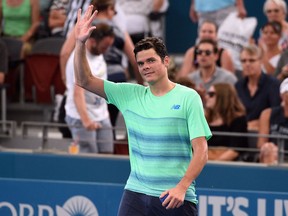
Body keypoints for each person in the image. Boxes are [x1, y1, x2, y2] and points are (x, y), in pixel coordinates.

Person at [74, 5, 212, 215]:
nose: (145, 66)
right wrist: (80, 43)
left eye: (151, 60)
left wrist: (182, 187)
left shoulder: (188, 97)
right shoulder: (129, 94)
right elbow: (84, 80)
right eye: (140, 63)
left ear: (166, 61)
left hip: (173, 197)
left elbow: (201, 150)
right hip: (135, 194)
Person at [65, 22, 115, 154]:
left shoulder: (99, 54)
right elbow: (78, 93)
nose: (107, 50)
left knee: (108, 155)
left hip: (101, 115)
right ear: (92, 41)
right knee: (88, 160)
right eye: (105, 46)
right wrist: (86, 120)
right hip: (81, 116)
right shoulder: (78, 60)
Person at [235, 44, 281, 132]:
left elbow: (277, 113)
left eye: (251, 60)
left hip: (267, 133)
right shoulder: (238, 86)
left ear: (261, 61)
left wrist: (259, 122)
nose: (247, 64)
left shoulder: (273, 85)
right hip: (242, 133)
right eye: (244, 61)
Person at [205, 83, 248, 161]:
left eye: (211, 94)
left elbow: (235, 150)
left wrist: (214, 164)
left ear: (223, 97)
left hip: (226, 164)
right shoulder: (204, 119)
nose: (206, 97)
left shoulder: (238, 120)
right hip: (203, 160)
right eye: (207, 94)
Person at [257, 78, 288, 164]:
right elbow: (261, 143)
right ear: (282, 95)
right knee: (268, 150)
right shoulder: (267, 114)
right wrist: (272, 150)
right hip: (271, 155)